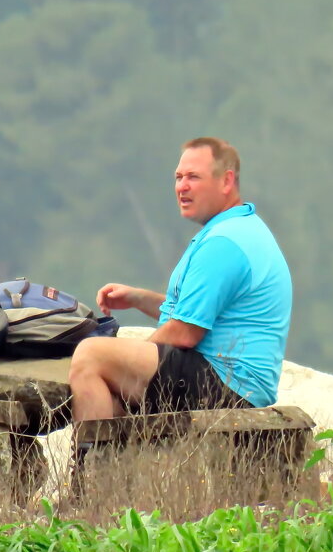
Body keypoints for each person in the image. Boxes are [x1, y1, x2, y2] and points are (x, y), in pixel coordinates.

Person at [67, 137, 292, 424]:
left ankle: (87, 466)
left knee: (92, 355)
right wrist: (139, 299)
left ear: (226, 181)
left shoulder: (225, 243)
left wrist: (134, 358)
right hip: (229, 380)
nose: (182, 187)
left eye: (193, 177)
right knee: (110, 384)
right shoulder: (238, 229)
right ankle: (112, 463)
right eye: (178, 177)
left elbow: (186, 332)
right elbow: (199, 313)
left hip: (228, 385)